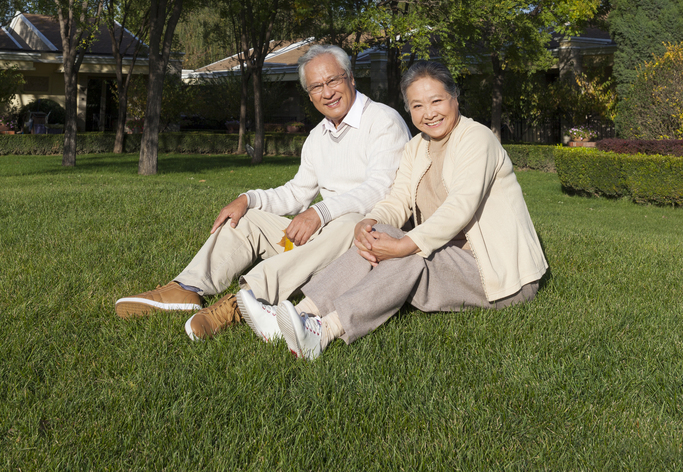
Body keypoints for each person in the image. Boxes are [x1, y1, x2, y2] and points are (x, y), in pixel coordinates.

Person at [239, 59, 548, 359]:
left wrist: (404, 245)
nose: (428, 113)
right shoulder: (417, 147)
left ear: (455, 98)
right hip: (448, 258)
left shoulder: (476, 137)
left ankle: (324, 331)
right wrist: (369, 222)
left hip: (498, 274)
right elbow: (398, 200)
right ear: (408, 109)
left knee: (411, 253)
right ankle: (298, 315)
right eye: (417, 106)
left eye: (436, 101)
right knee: (382, 234)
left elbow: (459, 208)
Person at [114, 44, 411, 341]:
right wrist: (249, 199)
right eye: (317, 87)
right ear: (309, 95)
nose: (327, 92)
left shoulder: (383, 121)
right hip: (325, 232)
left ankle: (243, 301)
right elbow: (297, 192)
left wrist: (320, 212)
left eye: (333, 80)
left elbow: (380, 190)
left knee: (348, 222)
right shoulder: (318, 136)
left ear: (351, 78)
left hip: (366, 238)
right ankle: (188, 288)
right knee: (247, 219)